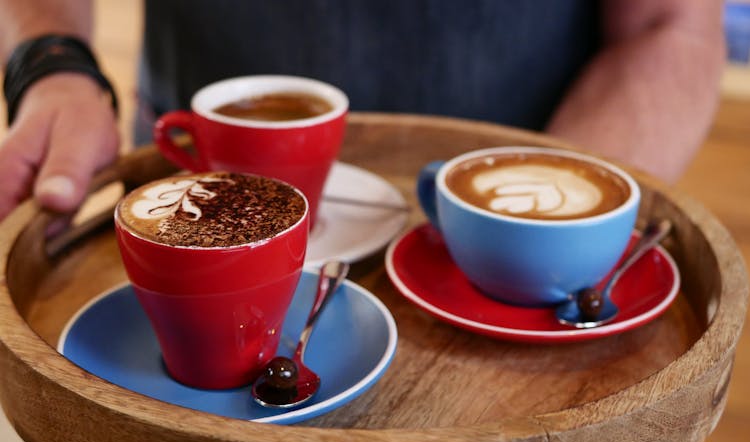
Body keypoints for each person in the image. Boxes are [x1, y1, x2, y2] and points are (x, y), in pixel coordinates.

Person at [0, 0, 726, 222]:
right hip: (196, 188)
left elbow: (669, 24)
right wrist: (51, 63)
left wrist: (532, 232)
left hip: (523, 202)